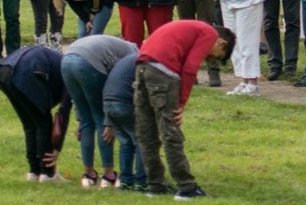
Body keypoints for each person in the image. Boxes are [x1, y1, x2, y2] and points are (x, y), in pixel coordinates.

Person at [134, 20, 235, 200]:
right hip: (164, 73)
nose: (209, 58)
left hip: (142, 68)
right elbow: (190, 69)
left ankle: (155, 185)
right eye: (217, 56)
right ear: (222, 43)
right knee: (170, 133)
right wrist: (181, 104)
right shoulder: (209, 33)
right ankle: (186, 188)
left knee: (146, 133)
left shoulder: (190, 27)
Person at [61, 35, 138, 189]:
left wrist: (79, 119)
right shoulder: (132, 55)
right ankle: (108, 175)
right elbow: (114, 89)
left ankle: (89, 175)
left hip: (66, 61)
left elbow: (78, 101)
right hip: (89, 63)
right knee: (100, 119)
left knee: (86, 122)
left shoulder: (117, 46)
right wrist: (109, 122)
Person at [0, 45, 71, 182]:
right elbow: (63, 113)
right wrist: (56, 149)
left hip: (5, 71)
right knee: (43, 123)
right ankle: (48, 174)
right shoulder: (72, 74)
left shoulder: (64, 63)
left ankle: (34, 172)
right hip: (26, 70)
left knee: (30, 124)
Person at [101, 53, 146, 192]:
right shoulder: (144, 60)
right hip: (124, 103)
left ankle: (125, 181)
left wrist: (108, 120)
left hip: (107, 103)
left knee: (126, 143)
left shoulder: (127, 59)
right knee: (141, 142)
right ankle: (141, 181)